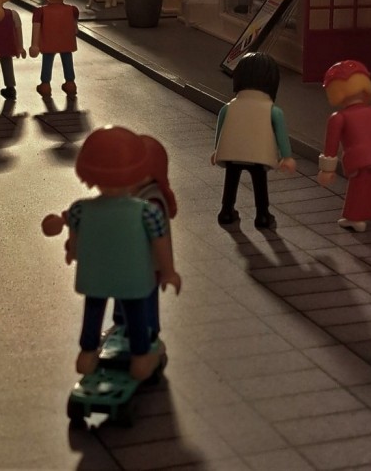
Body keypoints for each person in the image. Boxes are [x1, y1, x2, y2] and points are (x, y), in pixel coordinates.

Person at [41, 126, 181, 381]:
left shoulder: (82, 208)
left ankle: (87, 353)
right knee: (135, 310)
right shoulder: (146, 212)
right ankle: (140, 357)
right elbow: (160, 240)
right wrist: (169, 270)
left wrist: (72, 248)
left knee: (94, 311)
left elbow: (70, 226)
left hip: (96, 275)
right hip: (134, 274)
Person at [211, 52, 296, 229]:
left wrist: (217, 150)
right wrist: (287, 157)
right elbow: (281, 134)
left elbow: (221, 129)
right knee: (259, 185)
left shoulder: (229, 107)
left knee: (230, 182)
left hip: (231, 154)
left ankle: (226, 211)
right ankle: (262, 215)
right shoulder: (272, 110)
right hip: (258, 156)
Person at [318, 60, 371, 232]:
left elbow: (331, 146)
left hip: (361, 160)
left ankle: (356, 218)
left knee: (360, 188)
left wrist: (327, 170)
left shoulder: (338, 117)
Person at [111, 135, 177, 343]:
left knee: (145, 299)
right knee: (123, 293)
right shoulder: (137, 192)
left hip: (147, 265)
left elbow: (156, 238)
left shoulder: (152, 200)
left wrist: (167, 270)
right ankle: (122, 325)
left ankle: (149, 331)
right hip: (130, 262)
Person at [29, 0, 78, 97]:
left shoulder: (40, 12)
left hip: (48, 42)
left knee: (47, 62)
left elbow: (36, 29)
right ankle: (70, 83)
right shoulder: (72, 10)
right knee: (67, 60)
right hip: (66, 42)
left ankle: (45, 85)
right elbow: (75, 27)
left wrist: (34, 45)